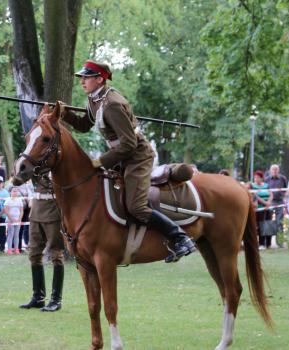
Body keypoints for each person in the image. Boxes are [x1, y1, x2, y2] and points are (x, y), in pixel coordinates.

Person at [62, 60, 196, 263]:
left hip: (137, 157)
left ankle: (180, 238)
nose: (82, 81)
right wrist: (65, 113)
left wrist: (100, 162)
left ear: (100, 79)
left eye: (86, 77)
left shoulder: (112, 104)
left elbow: (129, 144)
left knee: (136, 207)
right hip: (121, 155)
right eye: (82, 77)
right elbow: (83, 125)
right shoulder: (94, 99)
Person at [19, 174, 64, 312]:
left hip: (54, 212)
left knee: (56, 255)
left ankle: (56, 300)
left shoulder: (58, 165)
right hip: (36, 212)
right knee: (34, 254)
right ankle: (38, 297)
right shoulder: (36, 167)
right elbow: (19, 176)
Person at [250, 170, 273, 249]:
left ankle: (269, 243)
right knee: (260, 226)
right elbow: (255, 196)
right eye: (255, 177)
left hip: (268, 208)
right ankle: (261, 243)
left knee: (269, 224)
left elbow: (271, 194)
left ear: (261, 178)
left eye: (258, 177)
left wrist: (269, 202)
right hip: (259, 208)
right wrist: (265, 203)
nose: (256, 179)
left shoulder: (267, 185)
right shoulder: (252, 186)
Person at [265, 164, 288, 238]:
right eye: (273, 169)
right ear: (270, 170)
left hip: (280, 201)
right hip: (270, 202)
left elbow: (286, 189)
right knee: (269, 220)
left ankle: (280, 240)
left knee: (280, 221)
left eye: (276, 169)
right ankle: (268, 242)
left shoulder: (283, 178)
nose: (274, 171)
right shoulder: (267, 179)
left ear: (278, 170)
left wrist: (284, 198)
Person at [3, 186, 24, 254]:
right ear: (10, 192)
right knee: (10, 234)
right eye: (14, 191)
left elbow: (21, 210)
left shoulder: (19, 200)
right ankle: (9, 249)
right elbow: (6, 210)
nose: (15, 192)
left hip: (18, 220)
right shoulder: (8, 200)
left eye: (16, 191)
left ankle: (16, 249)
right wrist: (11, 219)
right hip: (10, 220)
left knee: (16, 235)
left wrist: (19, 219)